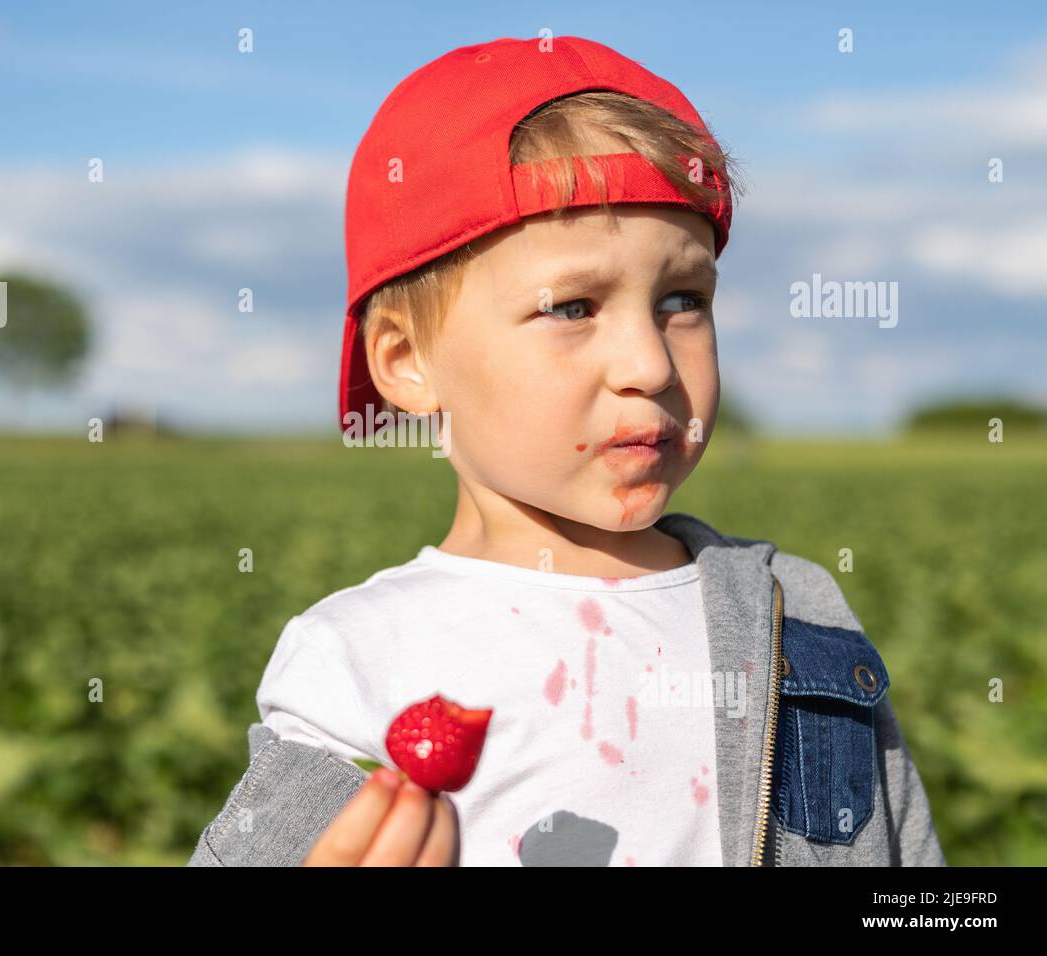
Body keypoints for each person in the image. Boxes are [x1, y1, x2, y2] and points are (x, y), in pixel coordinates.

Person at [187, 35, 946, 867]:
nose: (651, 364)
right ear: (407, 362)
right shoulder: (357, 660)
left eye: (683, 300)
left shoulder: (798, 614)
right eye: (574, 308)